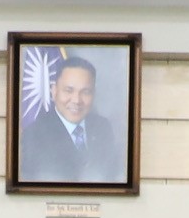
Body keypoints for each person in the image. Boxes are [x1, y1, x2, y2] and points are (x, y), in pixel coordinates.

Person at [19, 53, 128, 183]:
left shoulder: (103, 127)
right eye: (68, 90)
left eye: (85, 92)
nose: (76, 100)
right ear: (54, 91)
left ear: (93, 94)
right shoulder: (34, 135)